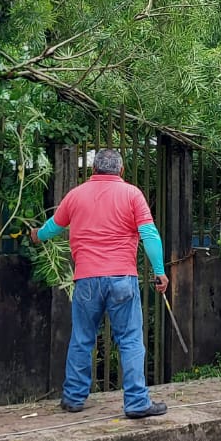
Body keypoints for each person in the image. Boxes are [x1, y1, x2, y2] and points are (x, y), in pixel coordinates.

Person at [31, 148, 169, 419]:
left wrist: (36, 235)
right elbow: (149, 235)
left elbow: (53, 227)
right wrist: (160, 271)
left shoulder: (76, 195)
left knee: (82, 338)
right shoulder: (132, 194)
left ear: (94, 169)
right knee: (130, 340)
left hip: (86, 280)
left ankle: (72, 398)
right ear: (121, 170)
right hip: (122, 279)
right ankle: (137, 403)